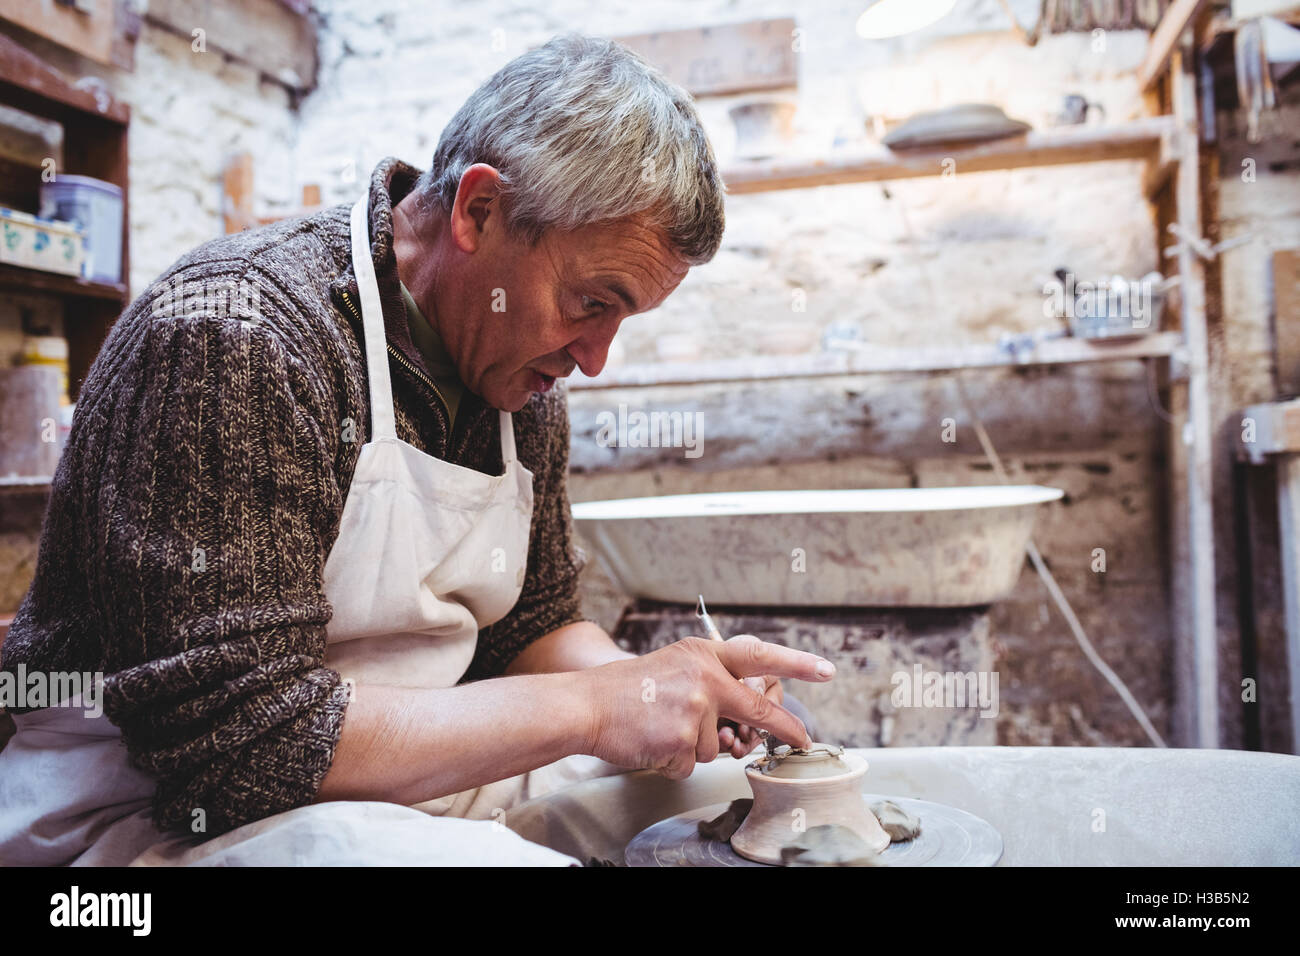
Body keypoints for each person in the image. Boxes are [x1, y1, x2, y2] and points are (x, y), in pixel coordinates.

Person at [0, 33, 833, 866]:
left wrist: (665, 691)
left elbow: (531, 627)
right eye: (590, 302)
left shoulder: (519, 373)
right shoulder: (238, 333)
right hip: (149, 810)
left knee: (716, 808)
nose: (595, 357)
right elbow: (238, 748)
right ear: (478, 211)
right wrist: (594, 708)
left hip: (407, 775)